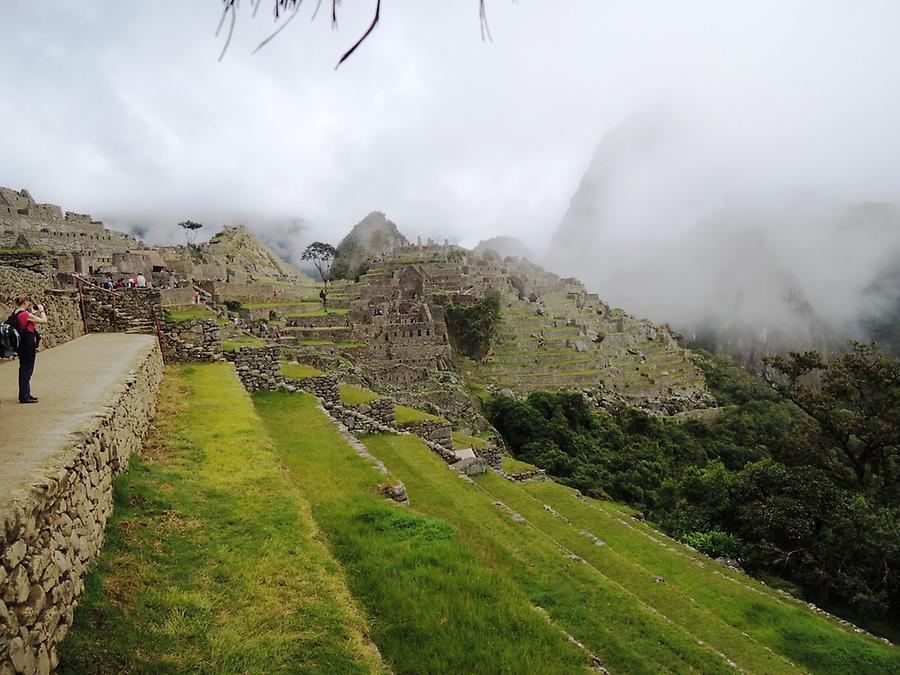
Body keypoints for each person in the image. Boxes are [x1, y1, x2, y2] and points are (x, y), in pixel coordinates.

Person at [13, 295, 48, 404]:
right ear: (25, 302)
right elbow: (44, 321)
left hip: (21, 344)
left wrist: (33, 314)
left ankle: (25, 393)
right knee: (27, 369)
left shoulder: (16, 313)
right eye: (28, 301)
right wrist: (41, 311)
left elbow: (26, 322)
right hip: (28, 344)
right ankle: (24, 396)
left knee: (23, 368)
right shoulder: (25, 314)